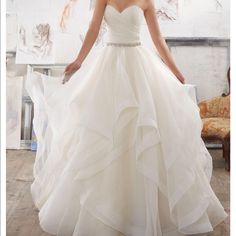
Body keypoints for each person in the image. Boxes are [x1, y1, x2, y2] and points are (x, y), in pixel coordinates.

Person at [26, 0, 228, 235]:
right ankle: (108, 206)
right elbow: (93, 29)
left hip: (138, 66)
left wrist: (176, 71)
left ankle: (138, 209)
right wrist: (79, 60)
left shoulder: (146, 1)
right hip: (109, 65)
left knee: (141, 132)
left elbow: (158, 39)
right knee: (104, 132)